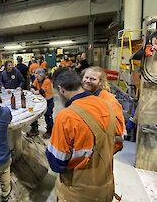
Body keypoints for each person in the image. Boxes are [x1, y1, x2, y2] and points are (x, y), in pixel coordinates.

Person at [46, 69, 123, 202]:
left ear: (61, 89)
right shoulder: (107, 105)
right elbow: (117, 142)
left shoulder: (66, 117)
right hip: (106, 187)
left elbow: (56, 164)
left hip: (77, 193)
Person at [82, 66, 125, 152]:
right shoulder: (87, 96)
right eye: (86, 77)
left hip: (102, 149)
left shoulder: (109, 101)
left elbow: (117, 133)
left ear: (100, 82)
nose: (87, 81)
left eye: (93, 79)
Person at [27, 68, 54, 139]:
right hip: (39, 100)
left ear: (41, 75)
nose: (36, 78)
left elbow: (40, 91)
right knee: (33, 113)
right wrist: (34, 90)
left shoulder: (47, 81)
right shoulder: (37, 80)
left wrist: (35, 91)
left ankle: (50, 130)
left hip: (48, 101)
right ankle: (34, 129)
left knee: (48, 115)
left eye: (37, 76)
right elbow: (32, 87)